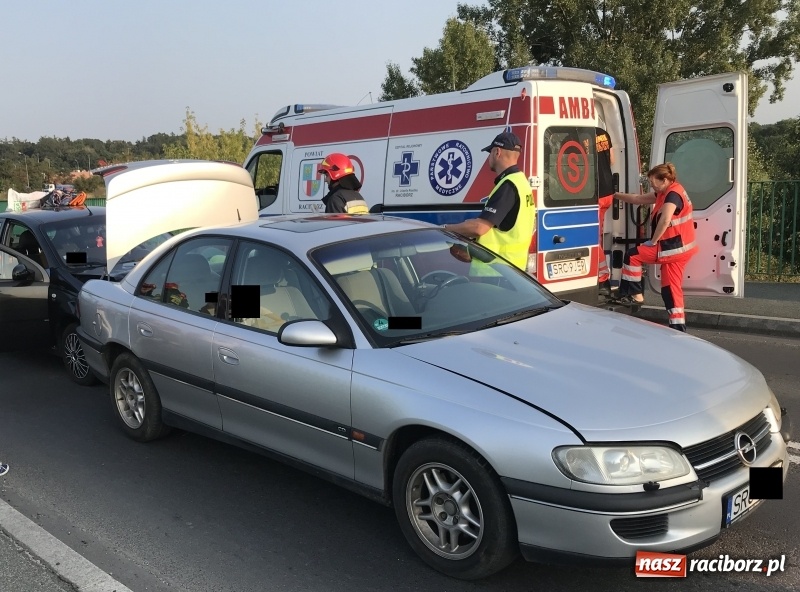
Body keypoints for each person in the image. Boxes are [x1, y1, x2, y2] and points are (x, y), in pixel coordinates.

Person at [613, 162, 698, 331]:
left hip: (671, 248)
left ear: (664, 180)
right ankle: (678, 326)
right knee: (670, 289)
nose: (651, 185)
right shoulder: (666, 192)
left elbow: (665, 220)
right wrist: (615, 195)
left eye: (653, 182)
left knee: (632, 255)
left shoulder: (672, 195)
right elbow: (638, 199)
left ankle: (635, 295)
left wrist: (653, 242)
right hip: (680, 248)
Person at [443, 131, 535, 271]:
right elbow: (504, 229)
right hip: (513, 272)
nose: (488, 158)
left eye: (489, 153)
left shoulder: (508, 185)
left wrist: (445, 229)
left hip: (497, 271)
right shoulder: (521, 182)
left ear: (497, 152)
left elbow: (479, 228)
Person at [595, 127, 615, 295]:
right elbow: (612, 160)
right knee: (597, 236)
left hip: (593, 193)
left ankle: (602, 280)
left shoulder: (576, 133)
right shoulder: (602, 133)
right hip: (608, 190)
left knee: (592, 238)